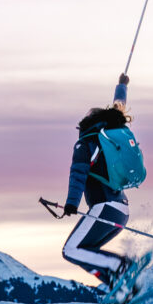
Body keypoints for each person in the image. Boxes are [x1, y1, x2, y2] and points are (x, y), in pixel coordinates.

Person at [61, 73, 133, 288]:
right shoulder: (111, 137)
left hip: (104, 208)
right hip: (121, 210)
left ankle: (120, 266)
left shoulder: (86, 144)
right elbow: (119, 108)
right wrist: (122, 86)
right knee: (84, 252)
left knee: (70, 250)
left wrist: (72, 204)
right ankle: (118, 285)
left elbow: (78, 174)